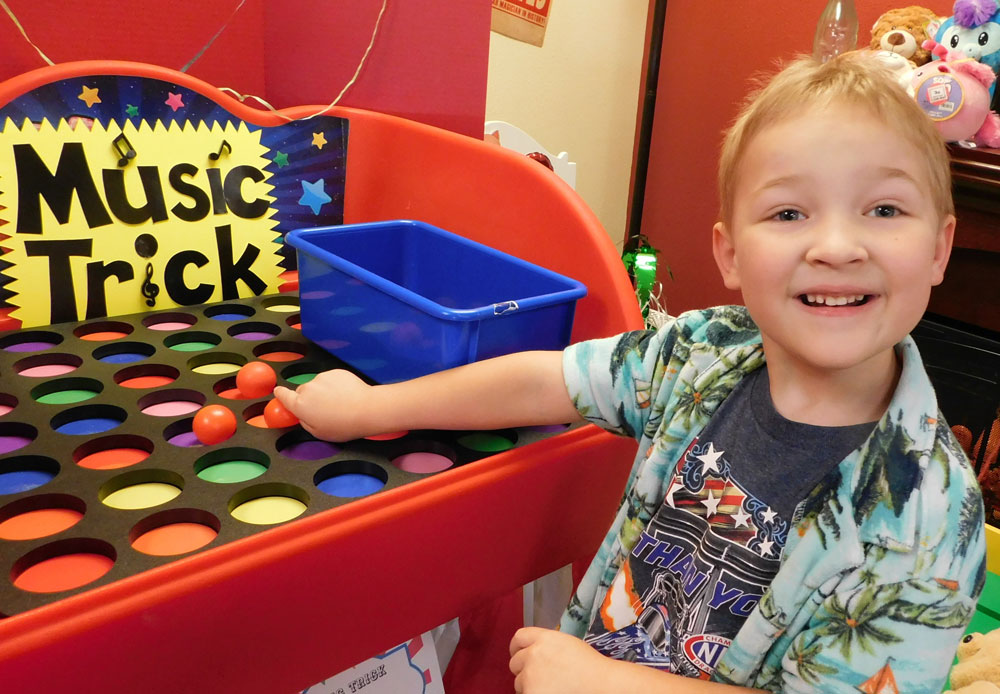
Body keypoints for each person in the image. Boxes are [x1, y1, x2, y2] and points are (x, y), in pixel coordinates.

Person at [274, 51, 986, 693]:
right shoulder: (701, 350)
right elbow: (548, 380)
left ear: (938, 248)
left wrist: (602, 682)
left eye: (884, 209)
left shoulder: (932, 515)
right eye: (790, 212)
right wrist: (372, 408)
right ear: (730, 254)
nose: (836, 246)